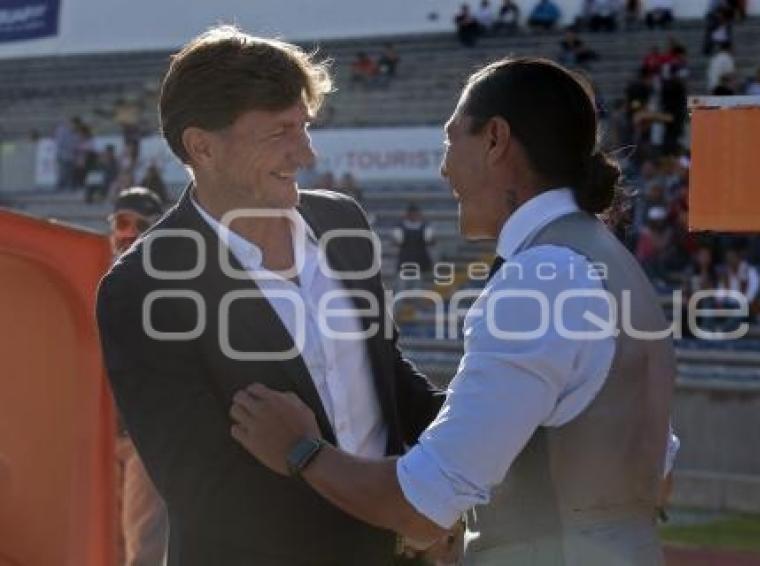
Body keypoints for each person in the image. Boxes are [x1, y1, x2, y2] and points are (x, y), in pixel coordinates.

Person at [231, 58, 678, 565]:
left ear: (495, 139)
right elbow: (659, 477)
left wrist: (301, 449)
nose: (443, 167)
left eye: (451, 140)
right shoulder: (611, 260)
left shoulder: (541, 276)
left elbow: (422, 506)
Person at [96, 26, 445, 566]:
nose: (304, 153)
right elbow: (205, 490)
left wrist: (473, 441)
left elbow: (386, 372)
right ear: (202, 146)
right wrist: (393, 525)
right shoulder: (143, 286)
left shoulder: (340, 220)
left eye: (303, 127)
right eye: (280, 132)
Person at [108, 187, 169, 566]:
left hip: (144, 437)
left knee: (142, 549)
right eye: (121, 222)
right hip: (97, 435)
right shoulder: (93, 274)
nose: (129, 232)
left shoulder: (174, 282)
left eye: (139, 224)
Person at [393, 203, 435, 291]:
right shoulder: (400, 227)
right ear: (408, 214)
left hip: (419, 260)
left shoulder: (425, 227)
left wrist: (430, 239)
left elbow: (431, 242)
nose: (414, 216)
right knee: (401, 288)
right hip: (404, 260)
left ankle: (417, 303)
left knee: (418, 288)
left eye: (416, 214)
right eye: (412, 214)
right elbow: (396, 242)